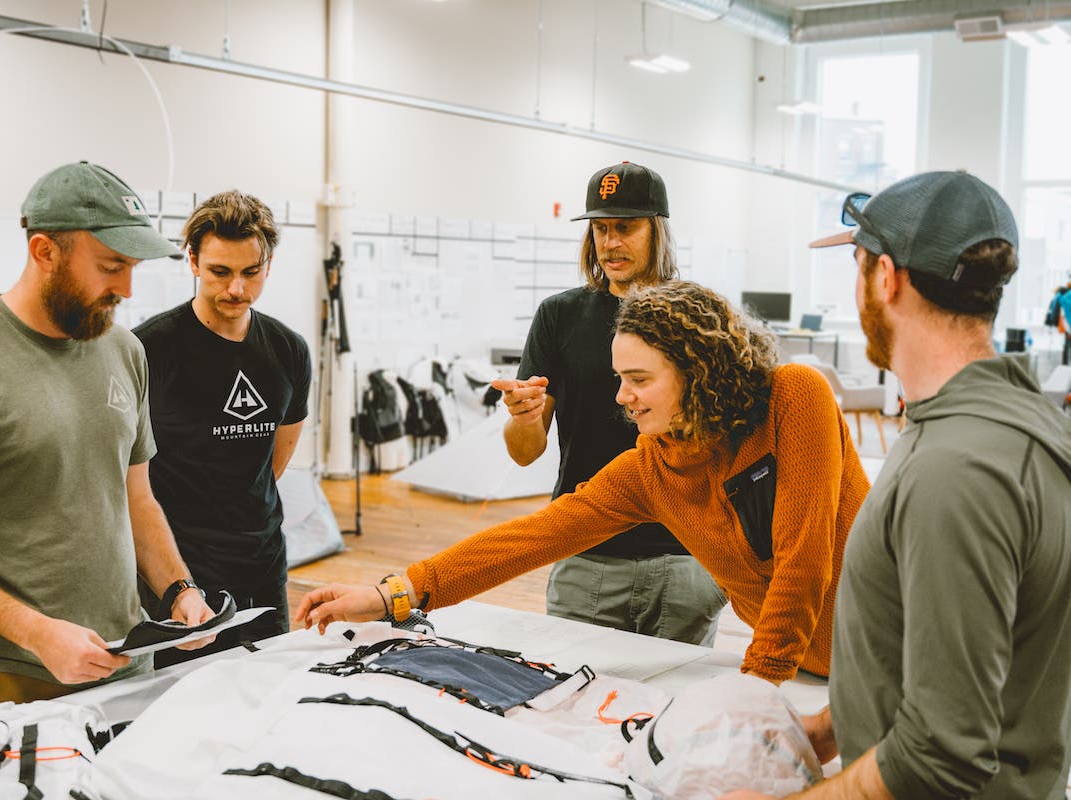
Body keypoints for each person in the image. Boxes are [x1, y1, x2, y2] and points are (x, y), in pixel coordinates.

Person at [297, 280, 870, 685]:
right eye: (619, 378)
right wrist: (390, 595)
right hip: (803, 670)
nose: (623, 397)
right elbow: (531, 538)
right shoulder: (651, 469)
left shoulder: (794, 398)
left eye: (638, 379)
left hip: (885, 652)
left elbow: (803, 562)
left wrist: (756, 690)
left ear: (698, 372)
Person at [725, 172, 1071, 799]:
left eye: (856, 266)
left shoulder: (958, 470)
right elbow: (949, 654)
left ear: (886, 277)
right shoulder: (993, 424)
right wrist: (827, 729)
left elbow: (941, 755)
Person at [0, 161, 214, 709]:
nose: (126, 288)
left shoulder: (125, 352)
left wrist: (179, 590)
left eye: (132, 267)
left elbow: (136, 499)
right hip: (1, 677)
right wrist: (36, 632)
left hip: (125, 661)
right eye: (110, 266)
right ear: (44, 252)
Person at [489, 161, 726, 645]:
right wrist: (524, 417)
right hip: (586, 553)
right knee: (572, 686)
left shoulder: (698, 316)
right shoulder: (559, 316)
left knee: (679, 694)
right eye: (601, 229)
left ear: (657, 230)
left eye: (625, 228)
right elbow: (524, 452)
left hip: (684, 557)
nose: (611, 243)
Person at [133, 190, 311, 666]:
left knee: (267, 689)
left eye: (250, 272)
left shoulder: (289, 350)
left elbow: (272, 462)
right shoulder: (148, 350)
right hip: (178, 574)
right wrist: (173, 581)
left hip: (262, 567)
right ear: (192, 261)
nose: (236, 288)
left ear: (268, 266)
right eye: (219, 272)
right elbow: (126, 479)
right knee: (182, 699)